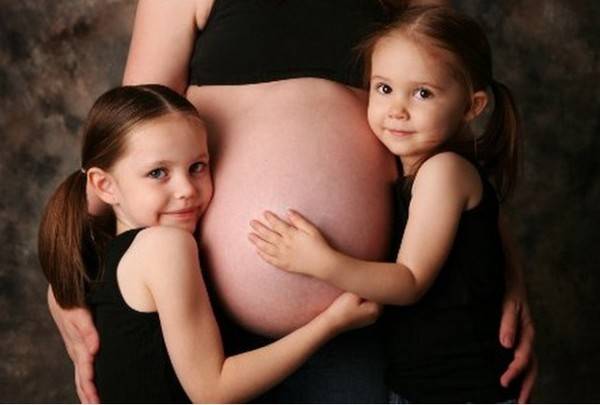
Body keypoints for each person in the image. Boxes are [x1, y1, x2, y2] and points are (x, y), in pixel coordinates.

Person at [47, 1, 536, 403]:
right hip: (201, 319)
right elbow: (125, 140)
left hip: (361, 317)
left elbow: (451, 144)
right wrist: (65, 276)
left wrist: (506, 273)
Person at [249, 5, 529, 402]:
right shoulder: (410, 170)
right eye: (383, 89)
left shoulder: (444, 172)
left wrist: (321, 263)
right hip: (417, 384)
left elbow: (410, 281)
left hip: (462, 390)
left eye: (422, 93)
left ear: (472, 106)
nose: (397, 109)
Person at [38, 84, 380, 403]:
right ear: (105, 185)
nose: (186, 189)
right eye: (158, 173)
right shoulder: (162, 247)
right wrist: (331, 323)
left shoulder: (104, 253)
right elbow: (213, 391)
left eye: (197, 166)